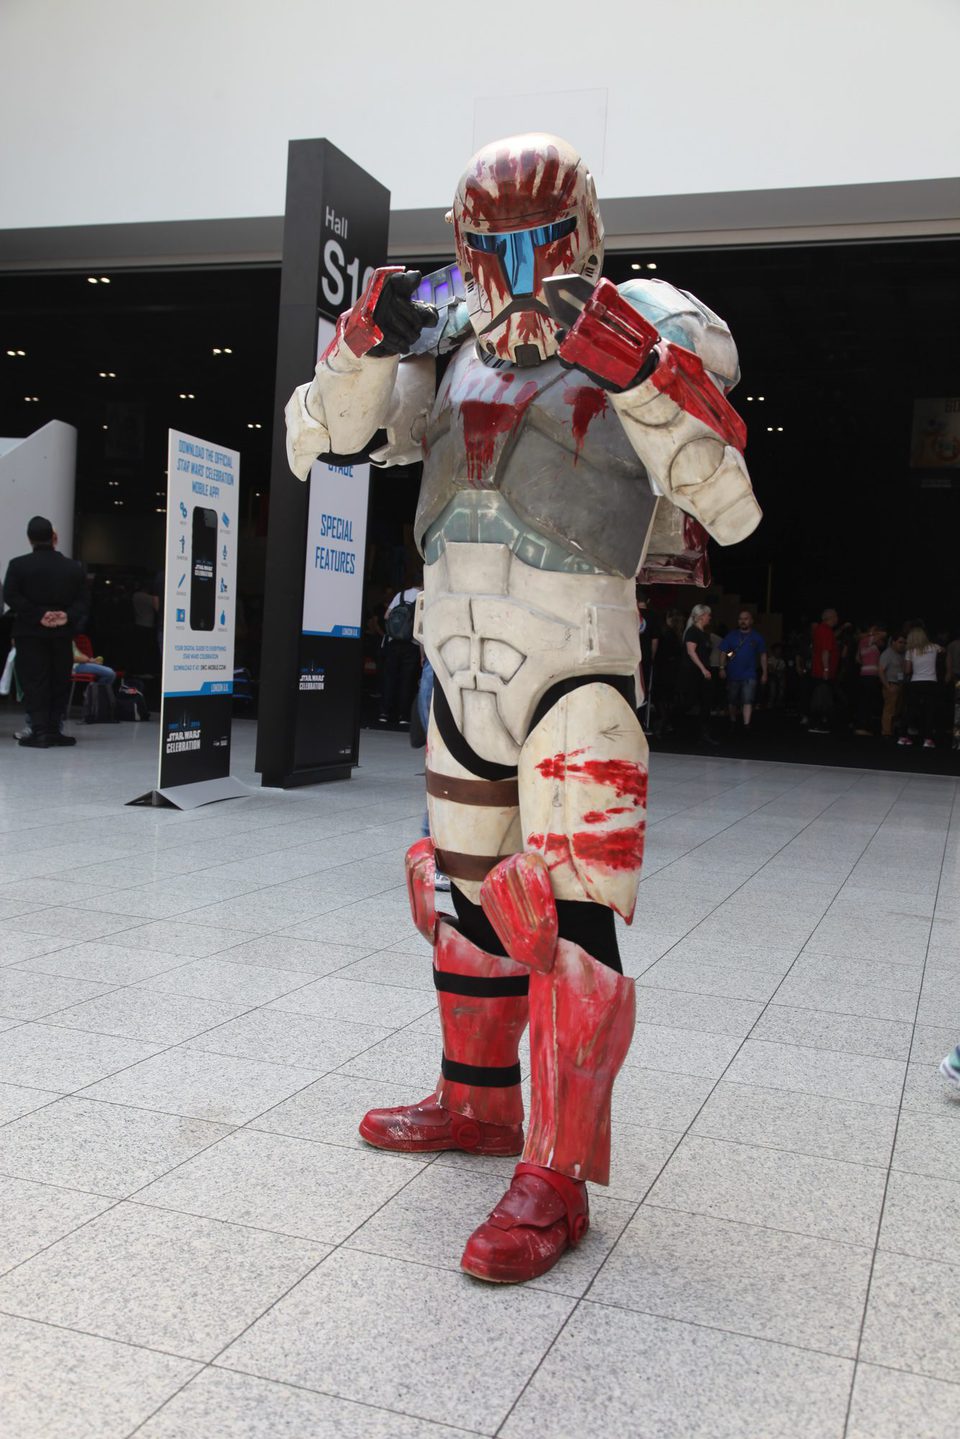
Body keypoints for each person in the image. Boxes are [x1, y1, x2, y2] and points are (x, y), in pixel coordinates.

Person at [285, 131, 760, 1284]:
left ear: (588, 229)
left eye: (543, 235)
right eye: (492, 241)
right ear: (463, 240)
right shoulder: (442, 334)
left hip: (574, 668)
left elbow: (730, 504)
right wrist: (364, 339)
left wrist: (645, 370)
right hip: (460, 671)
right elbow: (321, 438)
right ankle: (479, 1102)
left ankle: (554, 1171)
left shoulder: (655, 320)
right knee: (461, 903)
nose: (519, 260)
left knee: (567, 919)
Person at [2, 516, 86, 747]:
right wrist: (65, 615)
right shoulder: (72, 567)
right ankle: (54, 729)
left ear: (30, 539)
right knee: (59, 679)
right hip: (62, 633)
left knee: (34, 681)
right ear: (54, 537)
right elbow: (83, 601)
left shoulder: (18, 565)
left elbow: (10, 595)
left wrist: (38, 614)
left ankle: (38, 730)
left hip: (29, 633)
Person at [379, 579, 422, 727]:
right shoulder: (423, 597)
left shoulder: (400, 595)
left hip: (393, 641)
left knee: (389, 678)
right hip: (411, 644)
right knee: (407, 681)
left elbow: (386, 615)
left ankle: (384, 713)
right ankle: (403, 715)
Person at [720, 608, 767, 728]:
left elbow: (763, 655)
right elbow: (723, 652)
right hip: (733, 673)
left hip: (749, 674)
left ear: (751, 621)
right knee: (732, 700)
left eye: (746, 619)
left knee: (748, 700)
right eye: (740, 619)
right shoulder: (731, 635)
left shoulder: (757, 637)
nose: (743, 621)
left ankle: (747, 725)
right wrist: (721, 668)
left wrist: (765, 672)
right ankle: (733, 721)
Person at [681, 603, 717, 745]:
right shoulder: (692, 632)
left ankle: (704, 732)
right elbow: (691, 652)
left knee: (706, 702)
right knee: (690, 701)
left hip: (704, 671)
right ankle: (670, 722)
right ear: (702, 616)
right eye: (708, 615)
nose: (710, 618)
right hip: (694, 672)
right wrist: (702, 669)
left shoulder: (704, 634)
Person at [901, 625, 941, 748]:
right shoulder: (934, 647)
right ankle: (927, 739)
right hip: (931, 682)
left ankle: (903, 737)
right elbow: (943, 650)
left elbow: (907, 671)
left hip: (916, 682)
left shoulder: (910, 651)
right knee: (929, 711)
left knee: (911, 709)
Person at [808, 608, 839, 734]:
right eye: (836, 616)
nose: (837, 619)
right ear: (830, 618)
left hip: (820, 671)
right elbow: (825, 651)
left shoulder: (821, 630)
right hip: (823, 672)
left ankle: (819, 723)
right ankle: (817, 724)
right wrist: (826, 669)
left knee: (822, 697)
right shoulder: (825, 630)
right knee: (821, 698)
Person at [853, 624, 884, 736]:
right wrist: (871, 633)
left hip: (867, 674)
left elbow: (858, 659)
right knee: (866, 702)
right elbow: (883, 634)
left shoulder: (865, 642)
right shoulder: (867, 640)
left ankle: (863, 726)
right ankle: (862, 727)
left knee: (866, 701)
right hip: (869, 675)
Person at [878, 633, 907, 740]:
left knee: (898, 709)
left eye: (904, 643)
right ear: (893, 642)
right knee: (889, 709)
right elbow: (880, 671)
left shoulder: (903, 654)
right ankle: (886, 732)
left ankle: (893, 729)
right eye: (900, 642)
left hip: (900, 684)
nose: (902, 645)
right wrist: (887, 686)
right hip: (891, 684)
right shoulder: (887, 654)